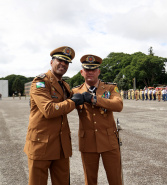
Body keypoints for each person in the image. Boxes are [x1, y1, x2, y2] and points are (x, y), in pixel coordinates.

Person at [24, 46, 82, 185]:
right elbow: (49, 110)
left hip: (61, 146)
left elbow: (71, 102)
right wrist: (73, 101)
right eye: (59, 60)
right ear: (51, 62)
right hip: (41, 145)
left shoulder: (65, 85)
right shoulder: (40, 82)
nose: (63, 64)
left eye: (66, 62)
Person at [72, 54, 123, 185]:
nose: (90, 72)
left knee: (115, 179)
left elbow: (118, 105)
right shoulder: (75, 91)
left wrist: (95, 99)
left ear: (99, 71)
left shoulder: (110, 88)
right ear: (81, 72)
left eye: (93, 69)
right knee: (90, 180)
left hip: (109, 141)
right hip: (87, 142)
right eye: (87, 69)